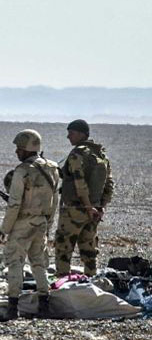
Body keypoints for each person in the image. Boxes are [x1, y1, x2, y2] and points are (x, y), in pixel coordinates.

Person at [0, 129, 60, 319]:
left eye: (19, 148)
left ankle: (12, 307)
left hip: (23, 223)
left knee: (14, 262)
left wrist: (4, 229)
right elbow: (54, 201)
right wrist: (48, 225)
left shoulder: (22, 171)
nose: (17, 152)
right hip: (41, 222)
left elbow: (14, 204)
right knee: (39, 263)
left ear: (26, 148)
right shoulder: (53, 168)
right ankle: (44, 305)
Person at [55, 119, 114, 277]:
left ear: (82, 134)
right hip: (94, 211)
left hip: (76, 209)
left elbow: (79, 183)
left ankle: (62, 286)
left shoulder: (78, 153)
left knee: (63, 247)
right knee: (89, 252)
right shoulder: (100, 155)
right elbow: (109, 184)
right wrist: (100, 207)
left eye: (71, 133)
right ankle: (92, 284)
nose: (68, 137)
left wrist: (88, 206)